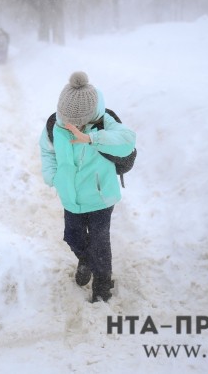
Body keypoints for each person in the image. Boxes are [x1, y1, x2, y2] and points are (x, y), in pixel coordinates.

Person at [39, 71, 136, 303]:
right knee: (72, 236)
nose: (72, 125)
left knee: (100, 241)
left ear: (90, 114)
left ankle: (102, 287)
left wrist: (92, 138)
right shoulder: (55, 125)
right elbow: (47, 151)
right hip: (71, 197)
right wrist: (53, 177)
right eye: (68, 119)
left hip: (100, 197)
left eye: (78, 121)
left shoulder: (104, 121)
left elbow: (127, 142)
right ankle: (86, 261)